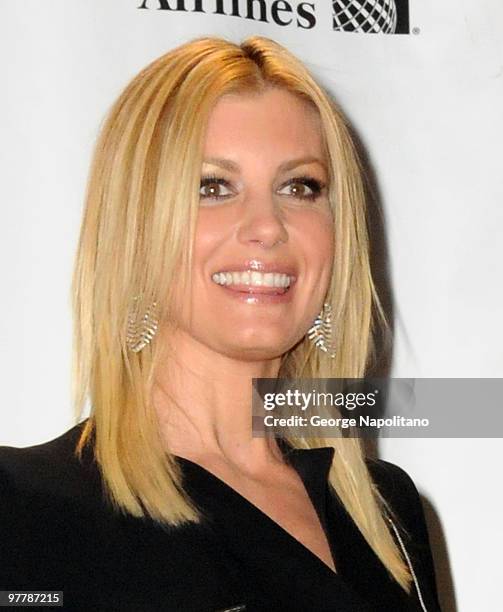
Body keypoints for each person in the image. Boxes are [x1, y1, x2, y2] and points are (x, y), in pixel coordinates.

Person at [0, 36, 441, 611]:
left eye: (300, 187)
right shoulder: (27, 507)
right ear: (135, 230)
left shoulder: (388, 512)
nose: (268, 226)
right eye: (213, 186)